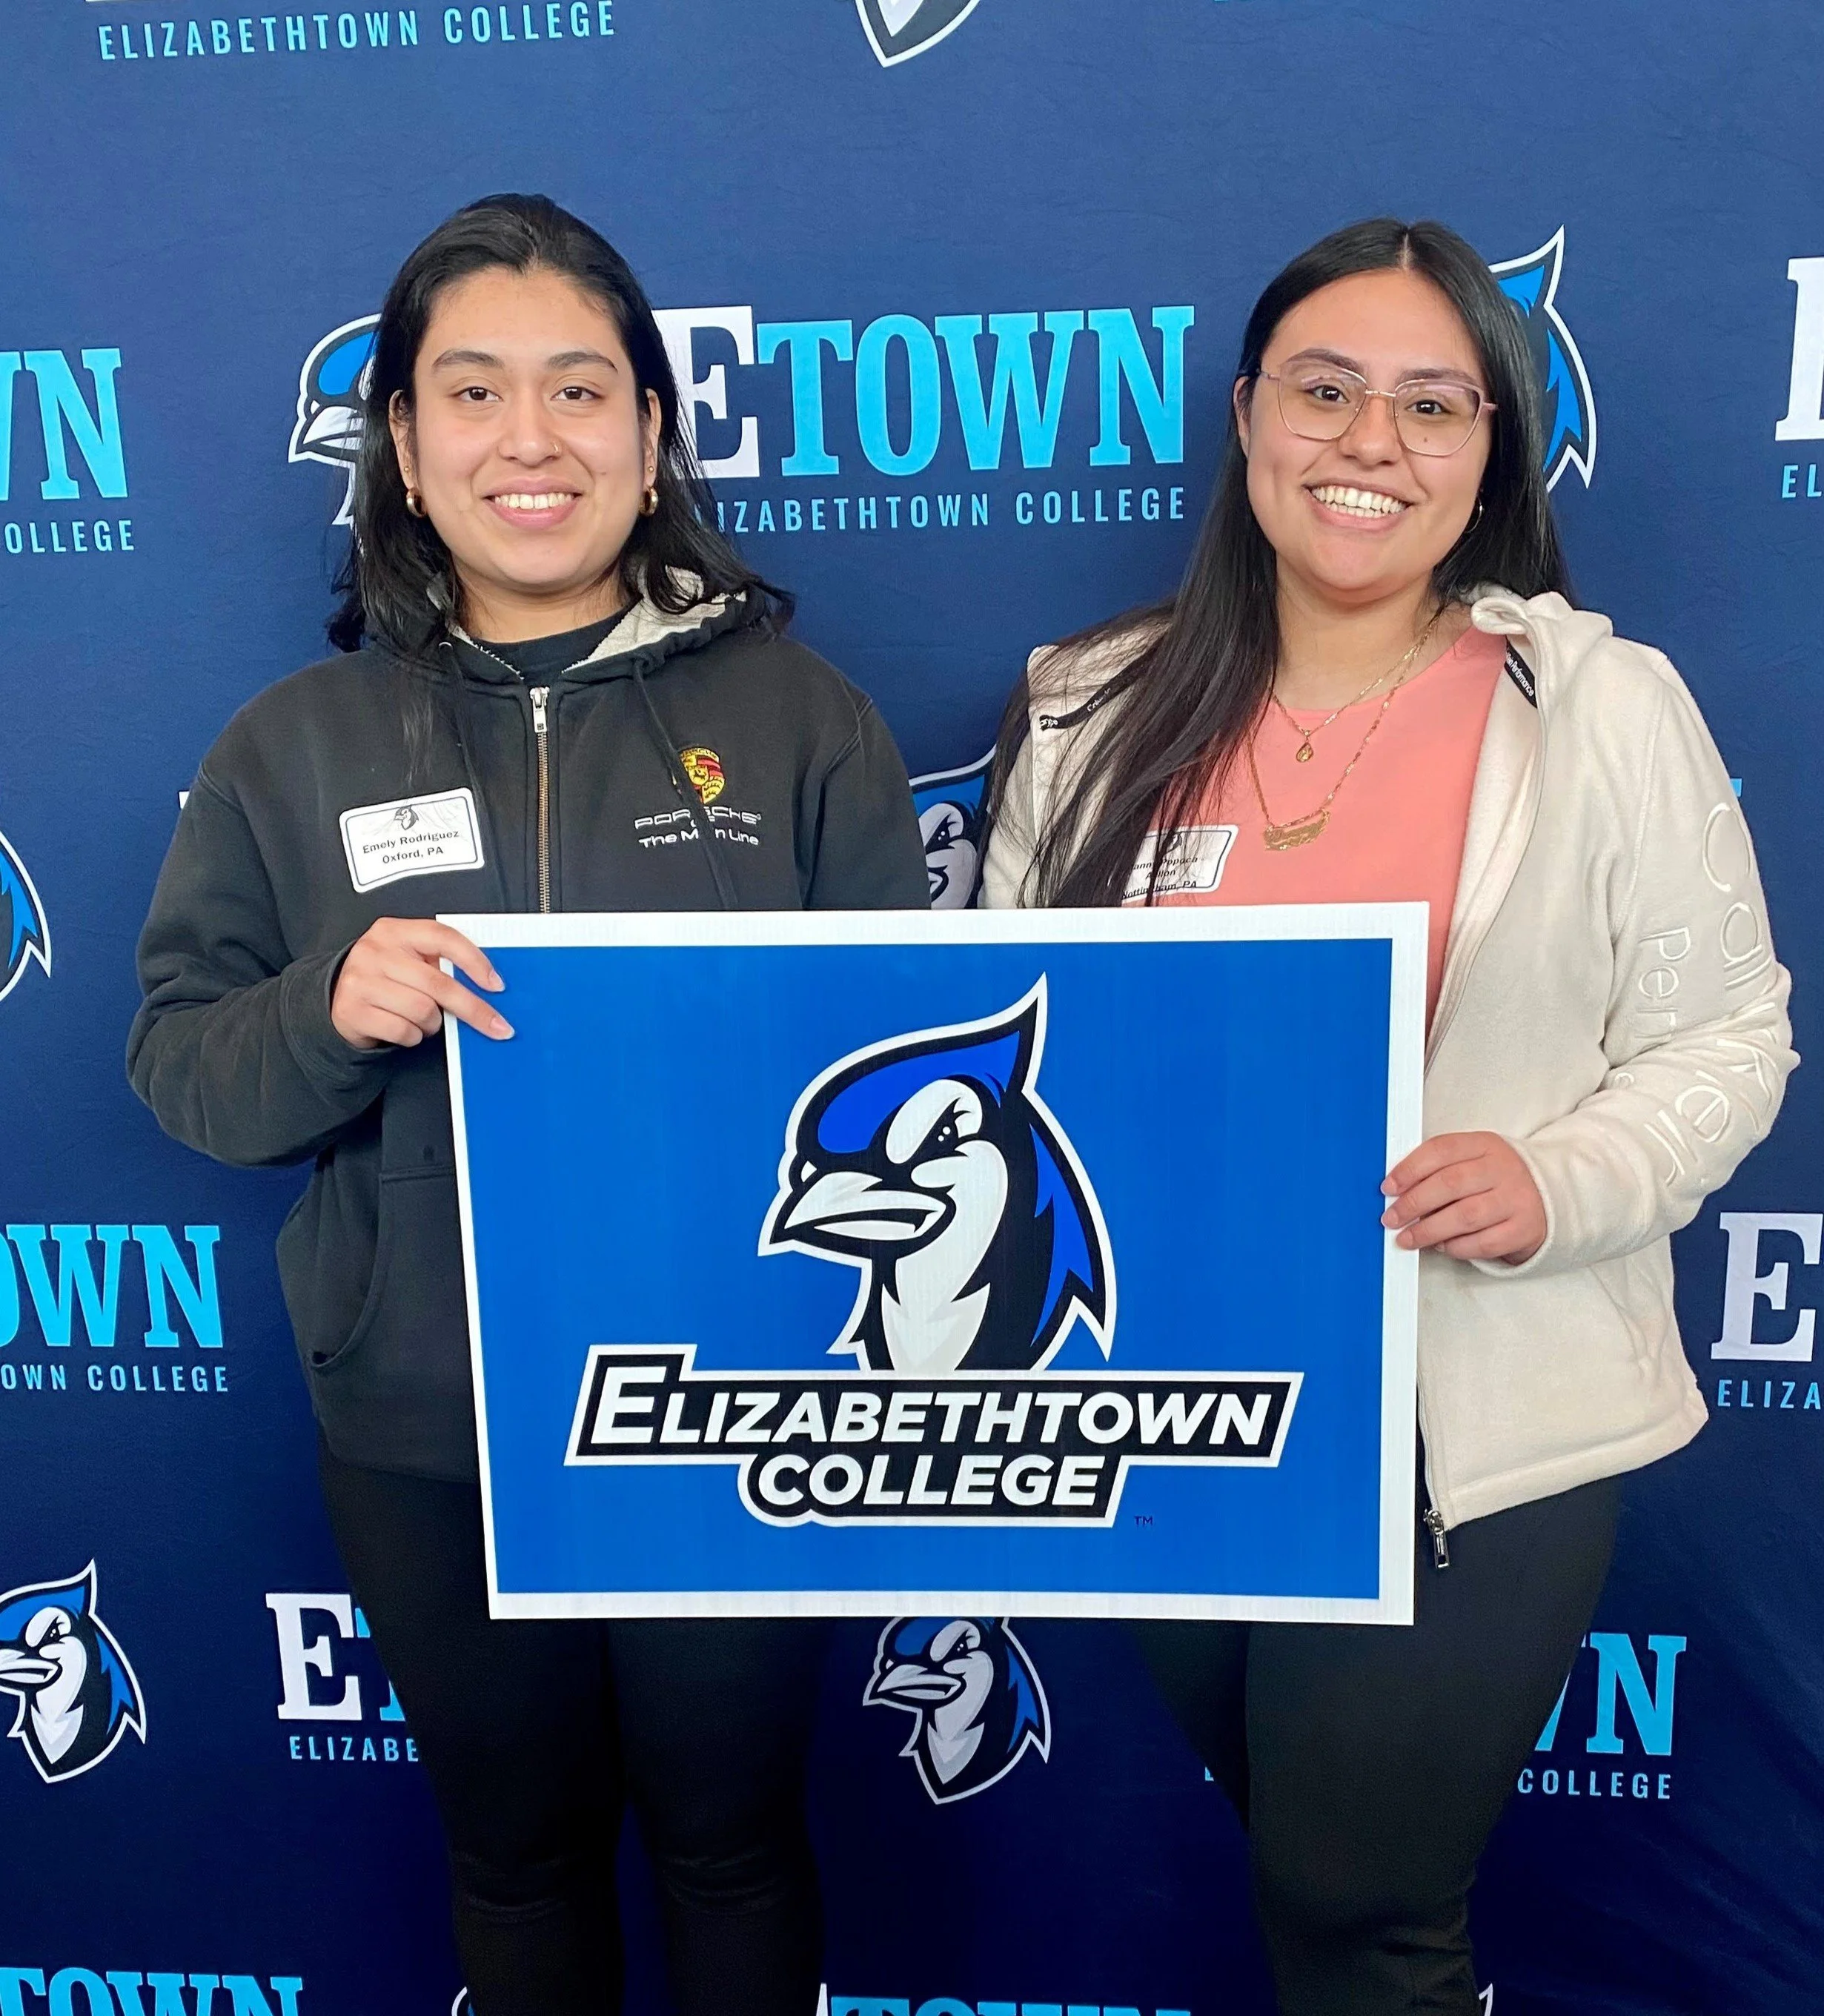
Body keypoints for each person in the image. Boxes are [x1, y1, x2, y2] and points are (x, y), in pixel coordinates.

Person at [982, 217, 1794, 2014]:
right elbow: (1021, 1045)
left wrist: (1556, 1174)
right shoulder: (1090, 706)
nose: (1373, 444)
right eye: (1327, 391)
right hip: (1177, 1414)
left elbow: (1731, 1032)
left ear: (1494, 448)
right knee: (1315, 1874)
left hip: (1470, 1420)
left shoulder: (1596, 707)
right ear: (1248, 418)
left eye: (1434, 406)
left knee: (1362, 1898)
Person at [129, 193, 927, 2016]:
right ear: (402, 448)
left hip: (740, 1409)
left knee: (731, 1843)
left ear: (652, 435)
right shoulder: (292, 745)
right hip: (431, 1424)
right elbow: (181, 1069)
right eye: (472, 392)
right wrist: (333, 1009)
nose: (531, 439)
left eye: (581, 388)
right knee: (514, 1853)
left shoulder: (805, 723)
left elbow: (909, 1065)